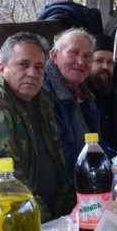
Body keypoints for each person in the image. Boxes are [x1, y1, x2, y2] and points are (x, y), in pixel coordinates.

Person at [0, 32, 74, 220]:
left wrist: (72, 210)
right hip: (6, 221)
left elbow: (56, 163)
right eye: (23, 65)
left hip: (50, 216)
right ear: (2, 68)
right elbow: (3, 181)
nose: (32, 73)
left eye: (39, 68)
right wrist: (49, 221)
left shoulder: (40, 101)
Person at [43, 27, 101, 168]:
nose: (81, 61)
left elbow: (97, 144)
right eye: (73, 53)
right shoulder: (44, 95)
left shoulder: (86, 95)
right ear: (54, 55)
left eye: (87, 56)